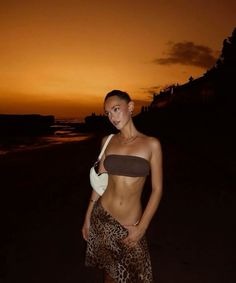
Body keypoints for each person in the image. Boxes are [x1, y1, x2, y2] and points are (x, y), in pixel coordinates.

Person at [82, 90, 163, 283]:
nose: (112, 117)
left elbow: (157, 189)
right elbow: (100, 184)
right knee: (110, 275)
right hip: (103, 217)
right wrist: (87, 217)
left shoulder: (151, 144)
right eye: (108, 112)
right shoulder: (108, 141)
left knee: (136, 277)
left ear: (131, 107)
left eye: (116, 109)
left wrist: (142, 227)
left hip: (131, 224)